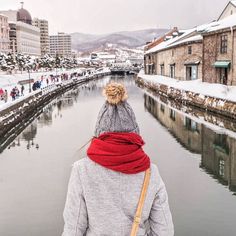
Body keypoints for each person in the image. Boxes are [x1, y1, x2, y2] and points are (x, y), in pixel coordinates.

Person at [62, 83, 174, 236]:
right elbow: (164, 231)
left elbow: (73, 229)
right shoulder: (150, 172)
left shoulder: (82, 170)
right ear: (134, 134)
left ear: (99, 132)